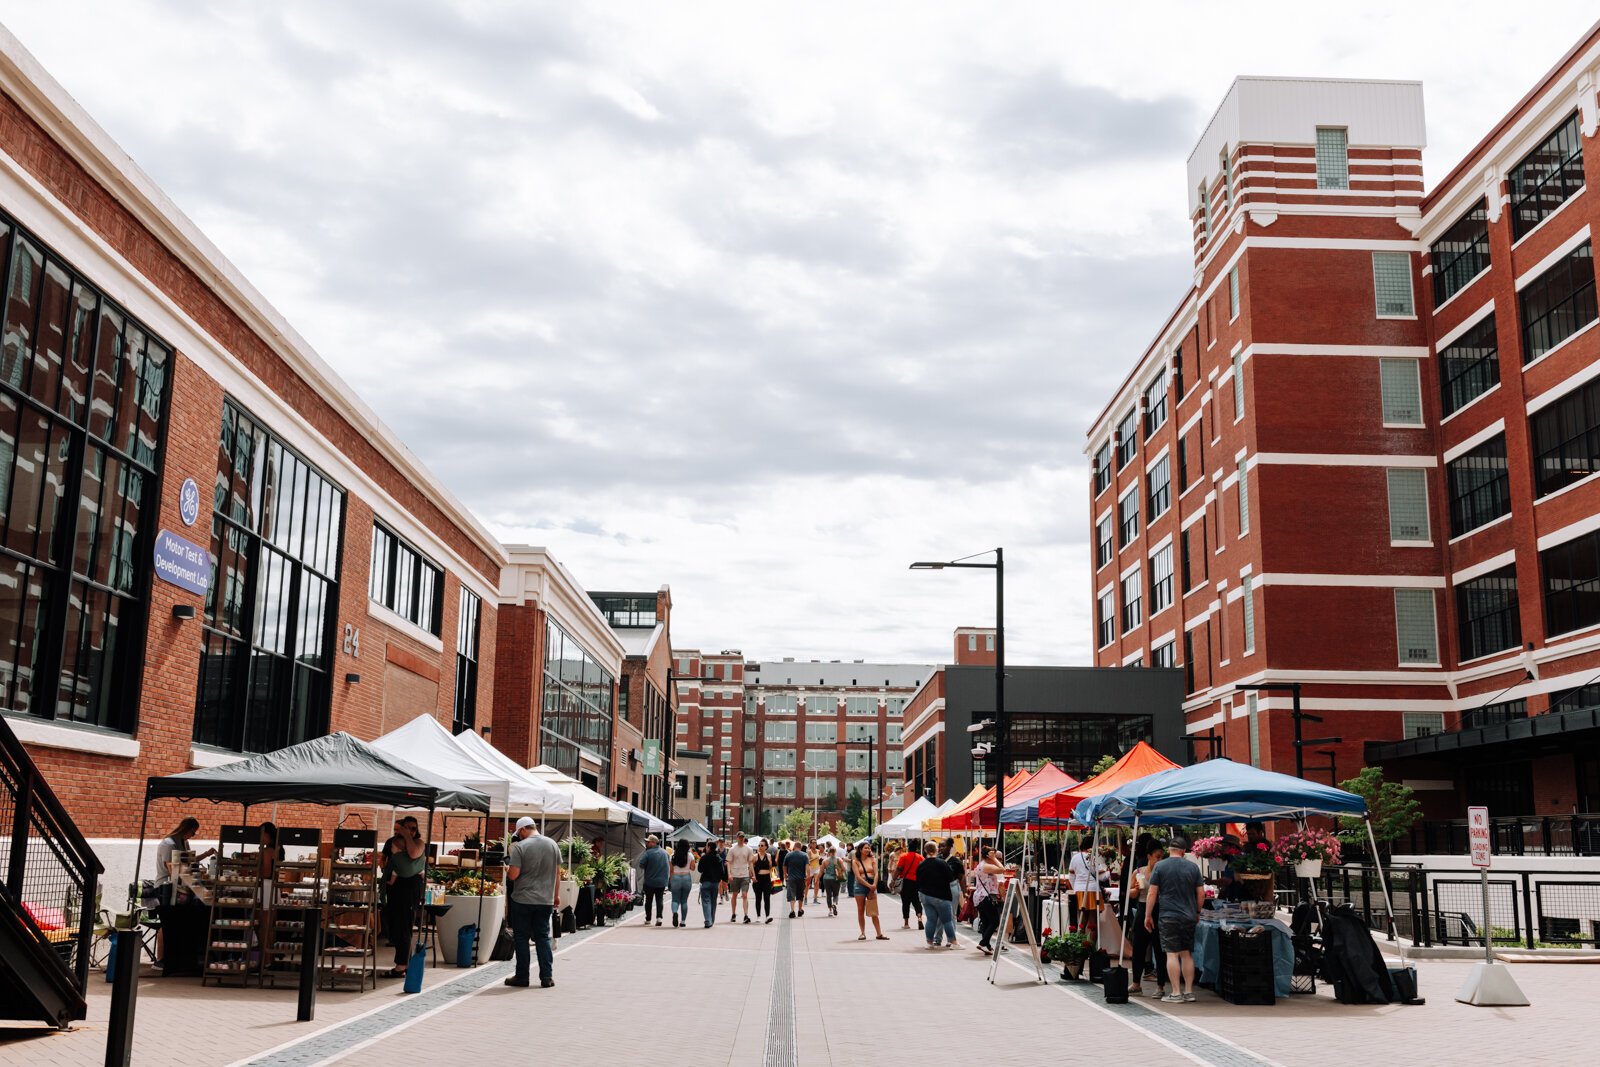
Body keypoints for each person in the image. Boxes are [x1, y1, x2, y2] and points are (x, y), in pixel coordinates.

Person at [1144, 835, 1206, 1004]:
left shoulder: (1160, 866)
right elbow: (1201, 893)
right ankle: (1189, 992)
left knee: (1172, 954)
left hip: (1168, 916)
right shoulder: (1193, 867)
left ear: (1169, 850)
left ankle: (1176, 993)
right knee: (1186, 953)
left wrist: (1148, 915)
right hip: (1188, 915)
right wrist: (1197, 911)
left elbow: (1152, 893)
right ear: (1184, 851)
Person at [506, 816, 561, 988]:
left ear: (523, 829)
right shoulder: (552, 844)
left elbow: (513, 875)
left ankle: (522, 977)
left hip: (522, 899)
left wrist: (508, 868)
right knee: (542, 937)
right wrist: (556, 896)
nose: (519, 837)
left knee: (521, 938)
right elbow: (558, 873)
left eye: (519, 833)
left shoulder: (521, 847)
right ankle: (547, 977)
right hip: (545, 899)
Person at [381, 817, 425, 978]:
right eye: (407, 828)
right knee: (393, 925)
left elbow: (413, 853)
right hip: (395, 889)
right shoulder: (394, 841)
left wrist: (407, 836)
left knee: (404, 926)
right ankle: (403, 961)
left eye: (413, 828)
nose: (410, 831)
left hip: (409, 889)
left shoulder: (419, 843)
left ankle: (401, 965)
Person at [1125, 836, 1169, 998]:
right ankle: (1136, 983)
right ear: (1149, 856)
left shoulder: (1164, 872)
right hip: (1142, 910)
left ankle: (1161, 986)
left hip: (1160, 911)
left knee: (1160, 949)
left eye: (1162, 857)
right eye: (1157, 856)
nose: (1159, 860)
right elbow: (1130, 893)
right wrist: (1135, 889)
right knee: (1138, 948)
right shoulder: (1139, 872)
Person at [916, 842, 957, 949]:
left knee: (930, 920)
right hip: (941, 896)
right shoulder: (942, 863)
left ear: (925, 851)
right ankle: (953, 942)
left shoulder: (921, 864)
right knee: (947, 920)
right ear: (936, 850)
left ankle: (930, 943)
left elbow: (918, 880)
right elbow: (951, 879)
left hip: (925, 895)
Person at [1067, 837, 1105, 941]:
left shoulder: (1075, 857)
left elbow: (1071, 876)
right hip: (1093, 890)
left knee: (1082, 922)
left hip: (1079, 890)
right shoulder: (1094, 857)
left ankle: (1080, 948)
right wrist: (1109, 872)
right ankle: (1091, 949)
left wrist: (1075, 888)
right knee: (1093, 924)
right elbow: (1101, 876)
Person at [972, 845, 1006, 955]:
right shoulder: (986, 866)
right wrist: (995, 859)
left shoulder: (981, 865)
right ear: (988, 855)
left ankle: (987, 946)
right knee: (995, 920)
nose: (995, 857)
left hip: (980, 897)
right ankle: (982, 943)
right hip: (985, 896)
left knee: (986, 922)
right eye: (993, 855)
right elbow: (1002, 869)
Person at [851, 843, 889, 940]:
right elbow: (858, 877)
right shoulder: (855, 861)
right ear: (860, 849)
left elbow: (876, 874)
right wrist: (869, 886)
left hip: (872, 886)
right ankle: (862, 933)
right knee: (860, 910)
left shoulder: (872, 859)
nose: (868, 849)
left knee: (873, 910)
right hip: (860, 887)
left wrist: (874, 886)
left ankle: (879, 933)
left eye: (869, 848)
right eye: (865, 848)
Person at [637, 835, 670, 927]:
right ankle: (659, 918)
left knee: (649, 900)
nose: (646, 843)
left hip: (650, 881)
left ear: (653, 843)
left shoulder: (648, 853)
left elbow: (641, 865)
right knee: (659, 899)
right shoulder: (665, 853)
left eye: (648, 842)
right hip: (662, 882)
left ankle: (648, 919)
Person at [893, 840, 923, 930]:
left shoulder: (904, 856)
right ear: (916, 848)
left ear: (908, 847)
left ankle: (906, 923)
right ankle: (919, 917)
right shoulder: (920, 857)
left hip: (906, 882)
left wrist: (893, 880)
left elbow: (899, 869)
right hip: (916, 882)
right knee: (916, 901)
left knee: (905, 902)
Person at [726, 832, 754, 924]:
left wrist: (752, 873)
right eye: (740, 837)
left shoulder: (749, 849)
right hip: (735, 875)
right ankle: (733, 914)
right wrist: (729, 874)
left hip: (745, 875)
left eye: (742, 837)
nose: (741, 838)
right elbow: (728, 862)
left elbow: (750, 862)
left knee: (745, 895)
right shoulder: (732, 849)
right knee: (734, 895)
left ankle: (746, 915)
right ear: (737, 838)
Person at [696, 840, 725, 928]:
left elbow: (700, 869)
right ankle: (712, 919)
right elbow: (722, 872)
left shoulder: (704, 857)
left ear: (708, 847)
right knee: (713, 902)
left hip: (705, 881)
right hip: (715, 883)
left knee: (706, 901)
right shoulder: (718, 858)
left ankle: (708, 920)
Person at [668, 840, 695, 928]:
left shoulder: (672, 856)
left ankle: (675, 912)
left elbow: (671, 870)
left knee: (675, 899)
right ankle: (683, 921)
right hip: (686, 877)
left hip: (675, 877)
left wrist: (671, 881)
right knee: (684, 900)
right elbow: (693, 868)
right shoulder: (690, 855)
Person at [752, 840, 776, 923]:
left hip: (766, 879)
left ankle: (767, 916)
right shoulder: (755, 856)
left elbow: (772, 868)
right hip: (758, 879)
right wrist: (752, 876)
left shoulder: (769, 856)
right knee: (758, 898)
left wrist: (774, 880)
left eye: (762, 845)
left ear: (766, 847)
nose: (760, 847)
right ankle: (758, 916)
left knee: (767, 898)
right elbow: (750, 867)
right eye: (759, 845)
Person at [784, 842, 809, 918]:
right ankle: (800, 910)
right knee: (800, 894)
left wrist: (785, 874)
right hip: (801, 878)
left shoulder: (788, 855)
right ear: (800, 847)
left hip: (791, 878)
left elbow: (784, 865)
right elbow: (807, 867)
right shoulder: (805, 855)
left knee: (792, 894)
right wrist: (808, 876)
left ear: (794, 846)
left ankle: (792, 910)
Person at [820, 846, 844, 916]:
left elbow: (821, 871)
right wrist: (840, 874)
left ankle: (830, 910)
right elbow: (844, 869)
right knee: (836, 894)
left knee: (828, 895)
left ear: (829, 852)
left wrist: (817, 879)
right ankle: (834, 904)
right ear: (835, 852)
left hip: (826, 878)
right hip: (835, 878)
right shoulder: (839, 859)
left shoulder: (825, 861)